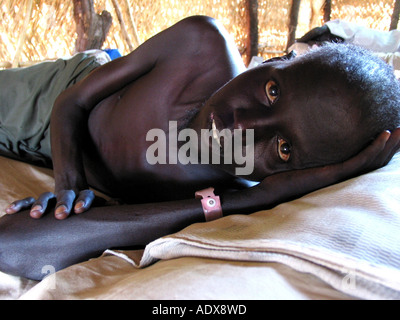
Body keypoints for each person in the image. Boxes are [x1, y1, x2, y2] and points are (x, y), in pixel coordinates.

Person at [0, 16, 399, 280]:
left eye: (282, 149)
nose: (240, 125)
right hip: (57, 97)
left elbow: (11, 245)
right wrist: (68, 183)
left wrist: (257, 200)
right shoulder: (199, 47)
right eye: (272, 90)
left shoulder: (222, 197)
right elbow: (71, 101)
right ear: (272, 61)